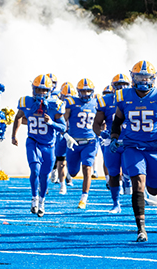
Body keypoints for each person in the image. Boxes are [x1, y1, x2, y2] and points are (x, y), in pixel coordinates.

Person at [110, 60, 157, 242]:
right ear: (133, 78)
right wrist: (113, 138)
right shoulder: (123, 96)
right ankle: (141, 228)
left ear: (153, 78)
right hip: (132, 146)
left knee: (154, 188)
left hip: (156, 147)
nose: (143, 80)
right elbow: (117, 122)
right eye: (139, 77)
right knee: (138, 185)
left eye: (146, 77)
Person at [11, 74, 66, 216]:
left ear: (49, 90)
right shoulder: (26, 102)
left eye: (44, 90)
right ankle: (34, 199)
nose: (41, 93)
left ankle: (42, 201)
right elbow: (18, 117)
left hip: (49, 145)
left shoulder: (55, 104)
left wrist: (51, 123)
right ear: (33, 89)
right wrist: (14, 135)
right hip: (33, 142)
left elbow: (63, 128)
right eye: (38, 90)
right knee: (34, 170)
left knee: (44, 175)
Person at [94, 74, 131, 213]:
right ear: (113, 86)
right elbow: (96, 124)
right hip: (112, 141)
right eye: (118, 85)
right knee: (114, 172)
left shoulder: (136, 98)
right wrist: (101, 134)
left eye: (124, 84)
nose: (121, 87)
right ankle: (116, 203)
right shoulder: (105, 101)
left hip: (130, 141)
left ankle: (134, 191)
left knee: (133, 170)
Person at [63, 78, 99, 209]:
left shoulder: (97, 103)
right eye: (83, 91)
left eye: (88, 91)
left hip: (90, 142)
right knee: (73, 172)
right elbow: (63, 121)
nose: (85, 94)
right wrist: (66, 135)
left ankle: (84, 198)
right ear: (78, 91)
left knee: (87, 168)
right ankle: (68, 175)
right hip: (74, 143)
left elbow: (102, 120)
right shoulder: (71, 102)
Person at [54, 83, 77, 194]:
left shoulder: (77, 106)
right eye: (65, 97)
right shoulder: (58, 105)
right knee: (61, 160)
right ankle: (62, 183)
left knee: (71, 160)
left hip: (73, 135)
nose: (67, 100)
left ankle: (69, 177)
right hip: (61, 135)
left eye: (70, 97)